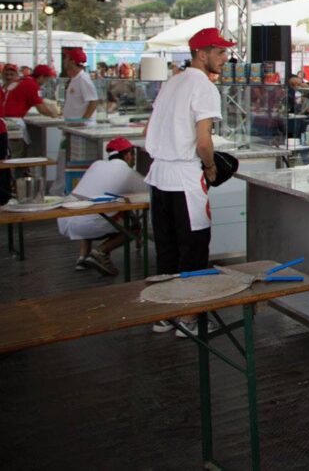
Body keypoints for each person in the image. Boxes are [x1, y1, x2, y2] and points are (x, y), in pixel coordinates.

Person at [144, 28, 230, 338]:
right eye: (219, 52)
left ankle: (166, 314)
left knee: (166, 249)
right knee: (193, 249)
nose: (225, 58)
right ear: (201, 53)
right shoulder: (204, 87)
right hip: (184, 176)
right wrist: (209, 167)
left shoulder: (172, 82)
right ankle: (189, 317)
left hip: (159, 175)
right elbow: (203, 140)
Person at [60, 137, 147, 274]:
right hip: (88, 221)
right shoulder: (128, 173)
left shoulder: (97, 164)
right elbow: (149, 191)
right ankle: (100, 252)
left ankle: (83, 257)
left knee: (90, 206)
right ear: (128, 155)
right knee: (134, 229)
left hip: (66, 217)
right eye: (133, 155)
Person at [3, 63, 60, 159]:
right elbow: (41, 108)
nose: (45, 82)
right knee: (15, 155)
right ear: (41, 77)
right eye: (46, 79)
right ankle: (17, 173)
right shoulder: (31, 85)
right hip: (12, 122)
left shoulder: (21, 81)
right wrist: (55, 116)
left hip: (5, 119)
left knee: (9, 153)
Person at [62, 48, 99, 122]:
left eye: (66, 58)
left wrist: (83, 121)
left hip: (80, 126)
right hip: (73, 123)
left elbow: (93, 102)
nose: (64, 61)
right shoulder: (74, 79)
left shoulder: (83, 79)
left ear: (72, 61)